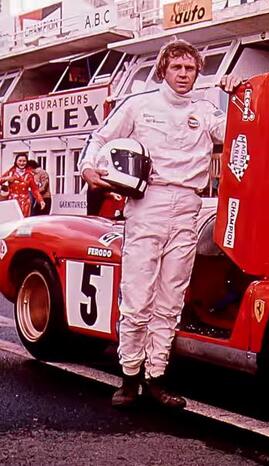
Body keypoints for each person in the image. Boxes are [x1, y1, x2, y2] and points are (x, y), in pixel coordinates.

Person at [79, 39, 241, 409]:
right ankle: (128, 377)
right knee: (138, 297)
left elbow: (240, 132)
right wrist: (88, 168)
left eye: (190, 68)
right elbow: (100, 137)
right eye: (176, 68)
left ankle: (157, 378)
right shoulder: (138, 104)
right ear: (163, 70)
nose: (183, 75)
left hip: (189, 206)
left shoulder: (206, 110)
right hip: (146, 202)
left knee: (171, 299)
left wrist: (238, 95)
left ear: (197, 72)